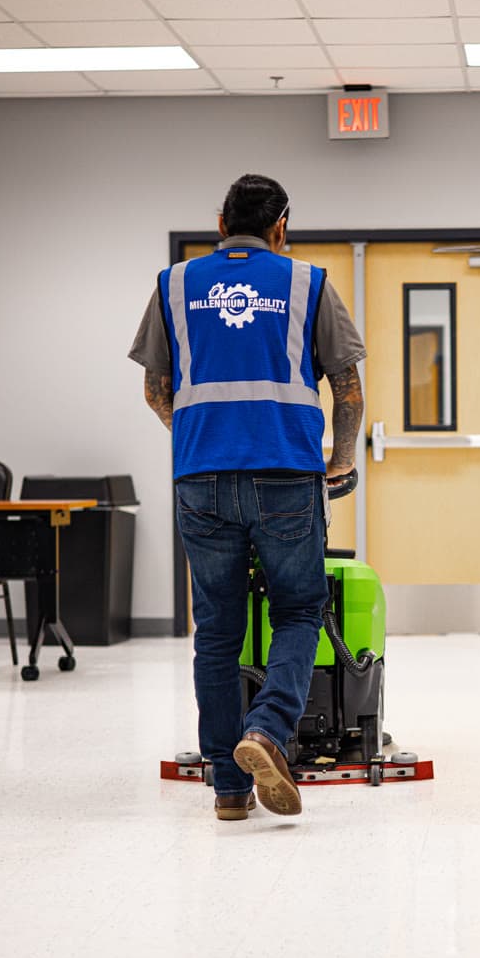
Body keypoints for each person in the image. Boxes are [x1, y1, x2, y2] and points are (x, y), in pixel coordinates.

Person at [129, 174, 365, 821]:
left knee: (217, 630)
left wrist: (203, 434)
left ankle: (229, 791)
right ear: (281, 225)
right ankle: (264, 730)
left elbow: (155, 388)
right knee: (298, 609)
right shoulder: (307, 281)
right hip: (285, 475)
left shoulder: (174, 283)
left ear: (218, 219)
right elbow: (347, 387)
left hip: (200, 477)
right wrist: (341, 461)